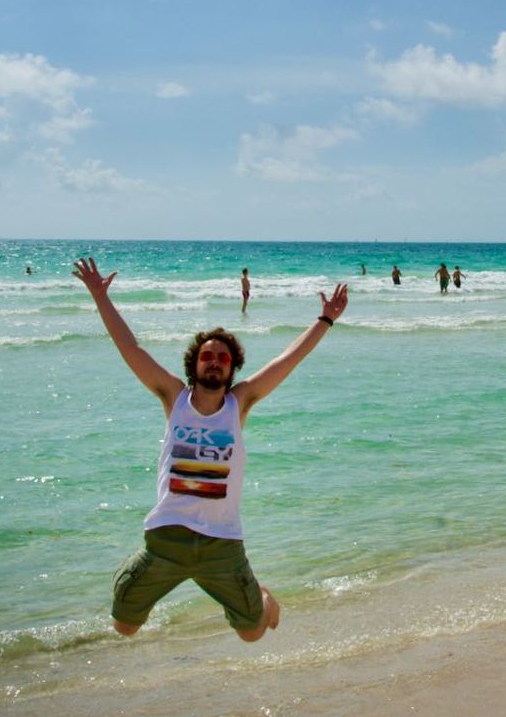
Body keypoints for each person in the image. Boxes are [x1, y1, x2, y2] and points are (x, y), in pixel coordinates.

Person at [73, 255, 348, 643]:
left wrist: (325, 320)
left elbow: (289, 360)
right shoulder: (173, 397)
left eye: (223, 358)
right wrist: (100, 297)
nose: (215, 362)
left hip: (222, 543)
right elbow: (129, 347)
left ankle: (263, 597)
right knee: (124, 626)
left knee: (253, 632)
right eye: (207, 356)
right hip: (167, 538)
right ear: (195, 364)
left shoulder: (241, 402)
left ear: (232, 368)